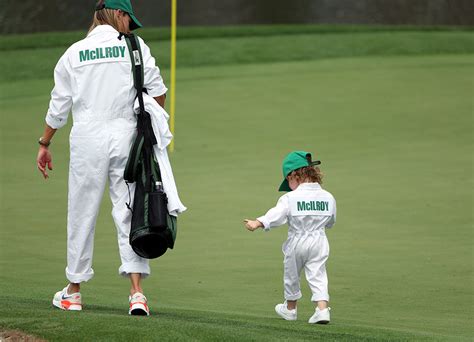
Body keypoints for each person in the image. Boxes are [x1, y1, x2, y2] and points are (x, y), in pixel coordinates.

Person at [36, 0, 169, 316]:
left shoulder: (74, 52)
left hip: (87, 137)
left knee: (81, 211)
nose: (130, 26)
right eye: (128, 19)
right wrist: (154, 124)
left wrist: (44, 143)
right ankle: (137, 294)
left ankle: (74, 291)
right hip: (127, 137)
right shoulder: (134, 47)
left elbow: (59, 107)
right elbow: (158, 91)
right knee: (130, 212)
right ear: (118, 14)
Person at [244, 151, 337, 324]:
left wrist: (258, 222)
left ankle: (290, 309)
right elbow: (331, 221)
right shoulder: (328, 197)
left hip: (297, 240)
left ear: (294, 175)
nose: (289, 184)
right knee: (318, 274)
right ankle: (322, 310)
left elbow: (276, 215)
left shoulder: (290, 197)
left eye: (288, 180)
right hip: (319, 240)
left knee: (291, 275)